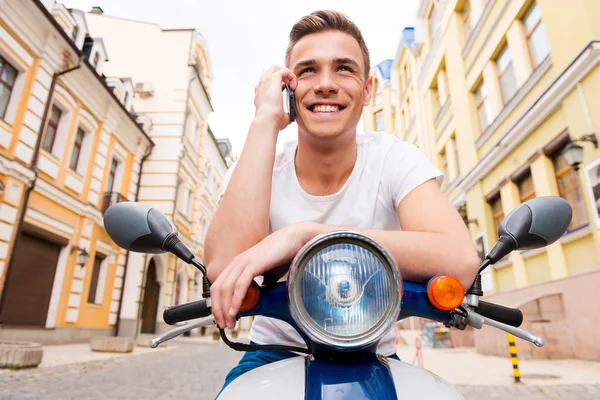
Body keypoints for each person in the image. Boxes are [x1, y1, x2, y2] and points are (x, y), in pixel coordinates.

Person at [205, 10, 479, 391]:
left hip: (372, 353)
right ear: (288, 90)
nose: (326, 84)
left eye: (344, 68)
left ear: (367, 91)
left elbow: (459, 258)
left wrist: (307, 236)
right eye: (307, 71)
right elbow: (224, 268)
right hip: (273, 349)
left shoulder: (393, 157)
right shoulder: (259, 162)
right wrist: (265, 118)